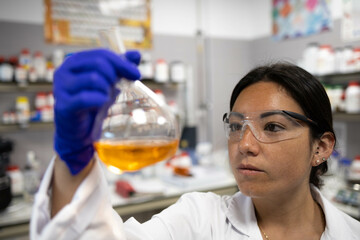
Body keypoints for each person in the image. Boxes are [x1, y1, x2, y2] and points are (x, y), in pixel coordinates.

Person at [30, 49, 360, 240]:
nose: (244, 144)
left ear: (321, 147)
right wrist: (73, 157)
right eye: (235, 126)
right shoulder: (198, 219)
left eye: (272, 126)